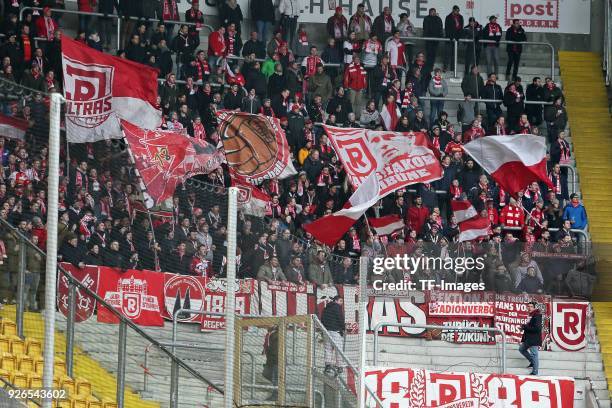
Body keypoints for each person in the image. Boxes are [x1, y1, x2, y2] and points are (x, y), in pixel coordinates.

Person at [321, 295, 345, 376]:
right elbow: (340, 318)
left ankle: (327, 366)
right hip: (335, 331)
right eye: (341, 301)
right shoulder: (337, 307)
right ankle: (339, 366)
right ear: (336, 301)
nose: (341, 303)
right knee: (338, 350)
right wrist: (343, 328)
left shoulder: (325, 308)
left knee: (327, 349)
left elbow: (322, 319)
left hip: (326, 331)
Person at [519, 301, 542, 375]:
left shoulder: (537, 315)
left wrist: (525, 327)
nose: (529, 308)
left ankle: (535, 372)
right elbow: (530, 326)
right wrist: (523, 327)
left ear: (534, 307)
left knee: (534, 354)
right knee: (521, 349)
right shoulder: (531, 315)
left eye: (531, 306)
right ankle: (532, 361)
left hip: (533, 339)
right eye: (528, 306)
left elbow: (537, 328)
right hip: (528, 339)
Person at [422, 8, 443, 73]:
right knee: (428, 54)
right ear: (429, 12)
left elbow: (440, 28)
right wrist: (426, 36)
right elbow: (425, 28)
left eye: (434, 12)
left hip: (435, 39)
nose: (433, 13)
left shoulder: (438, 19)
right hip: (429, 39)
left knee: (433, 54)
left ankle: (431, 66)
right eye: (432, 12)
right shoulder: (426, 18)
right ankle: (428, 67)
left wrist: (440, 36)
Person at [444, 5, 464, 72]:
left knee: (454, 55)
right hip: (449, 39)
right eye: (456, 11)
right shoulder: (448, 17)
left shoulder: (460, 17)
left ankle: (453, 69)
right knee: (447, 54)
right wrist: (451, 37)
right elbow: (447, 29)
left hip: (456, 39)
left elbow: (461, 28)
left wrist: (457, 38)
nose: (458, 12)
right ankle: (445, 67)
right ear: (453, 10)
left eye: (458, 11)